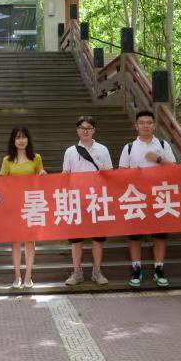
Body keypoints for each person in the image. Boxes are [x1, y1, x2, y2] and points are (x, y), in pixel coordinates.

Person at [118, 110, 176, 288]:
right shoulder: (129, 147)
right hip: (136, 196)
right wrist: (131, 173)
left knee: (160, 234)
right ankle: (137, 269)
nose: (145, 126)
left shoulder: (163, 144)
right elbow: (120, 172)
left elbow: (174, 169)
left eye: (149, 122)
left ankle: (159, 269)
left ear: (154, 125)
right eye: (142, 123)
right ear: (136, 126)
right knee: (135, 235)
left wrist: (158, 159)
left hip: (159, 195)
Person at [62, 116, 113, 286]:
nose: (85, 131)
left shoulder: (103, 150)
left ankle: (96, 272)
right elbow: (65, 175)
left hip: (97, 198)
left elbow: (110, 173)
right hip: (76, 199)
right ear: (77, 130)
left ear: (94, 130)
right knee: (76, 240)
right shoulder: (70, 151)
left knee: (98, 239)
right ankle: (77, 273)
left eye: (89, 128)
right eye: (82, 128)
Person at [0, 126, 46, 289]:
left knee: (29, 241)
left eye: (24, 137)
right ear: (13, 140)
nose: (21, 140)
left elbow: (41, 181)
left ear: (28, 139)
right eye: (18, 137)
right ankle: (17, 276)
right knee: (15, 241)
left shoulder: (36, 158)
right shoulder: (7, 160)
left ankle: (28, 275)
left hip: (31, 205)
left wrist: (43, 176)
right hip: (14, 205)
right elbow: (2, 184)